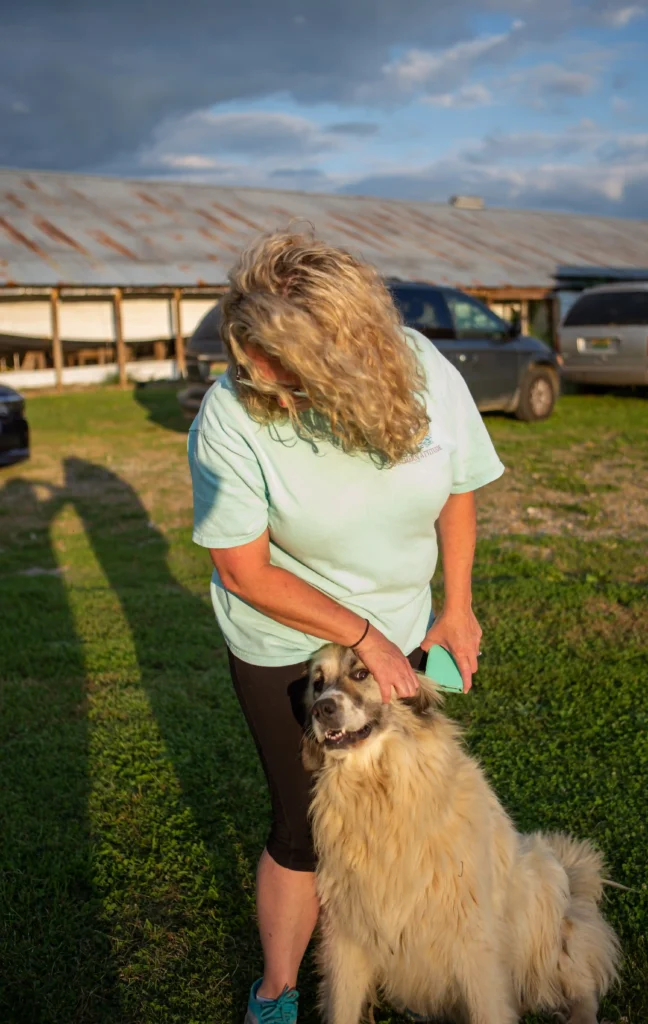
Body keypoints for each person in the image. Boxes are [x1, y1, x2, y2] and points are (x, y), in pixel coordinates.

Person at [188, 229, 504, 1023]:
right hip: (284, 639)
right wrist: (363, 639)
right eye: (247, 352)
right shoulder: (230, 413)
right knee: (305, 827)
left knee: (399, 812)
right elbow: (243, 570)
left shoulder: (422, 366)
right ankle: (276, 994)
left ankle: (389, 955)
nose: (254, 373)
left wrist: (456, 607)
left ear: (343, 348)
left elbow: (458, 488)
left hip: (398, 629)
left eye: (275, 357)